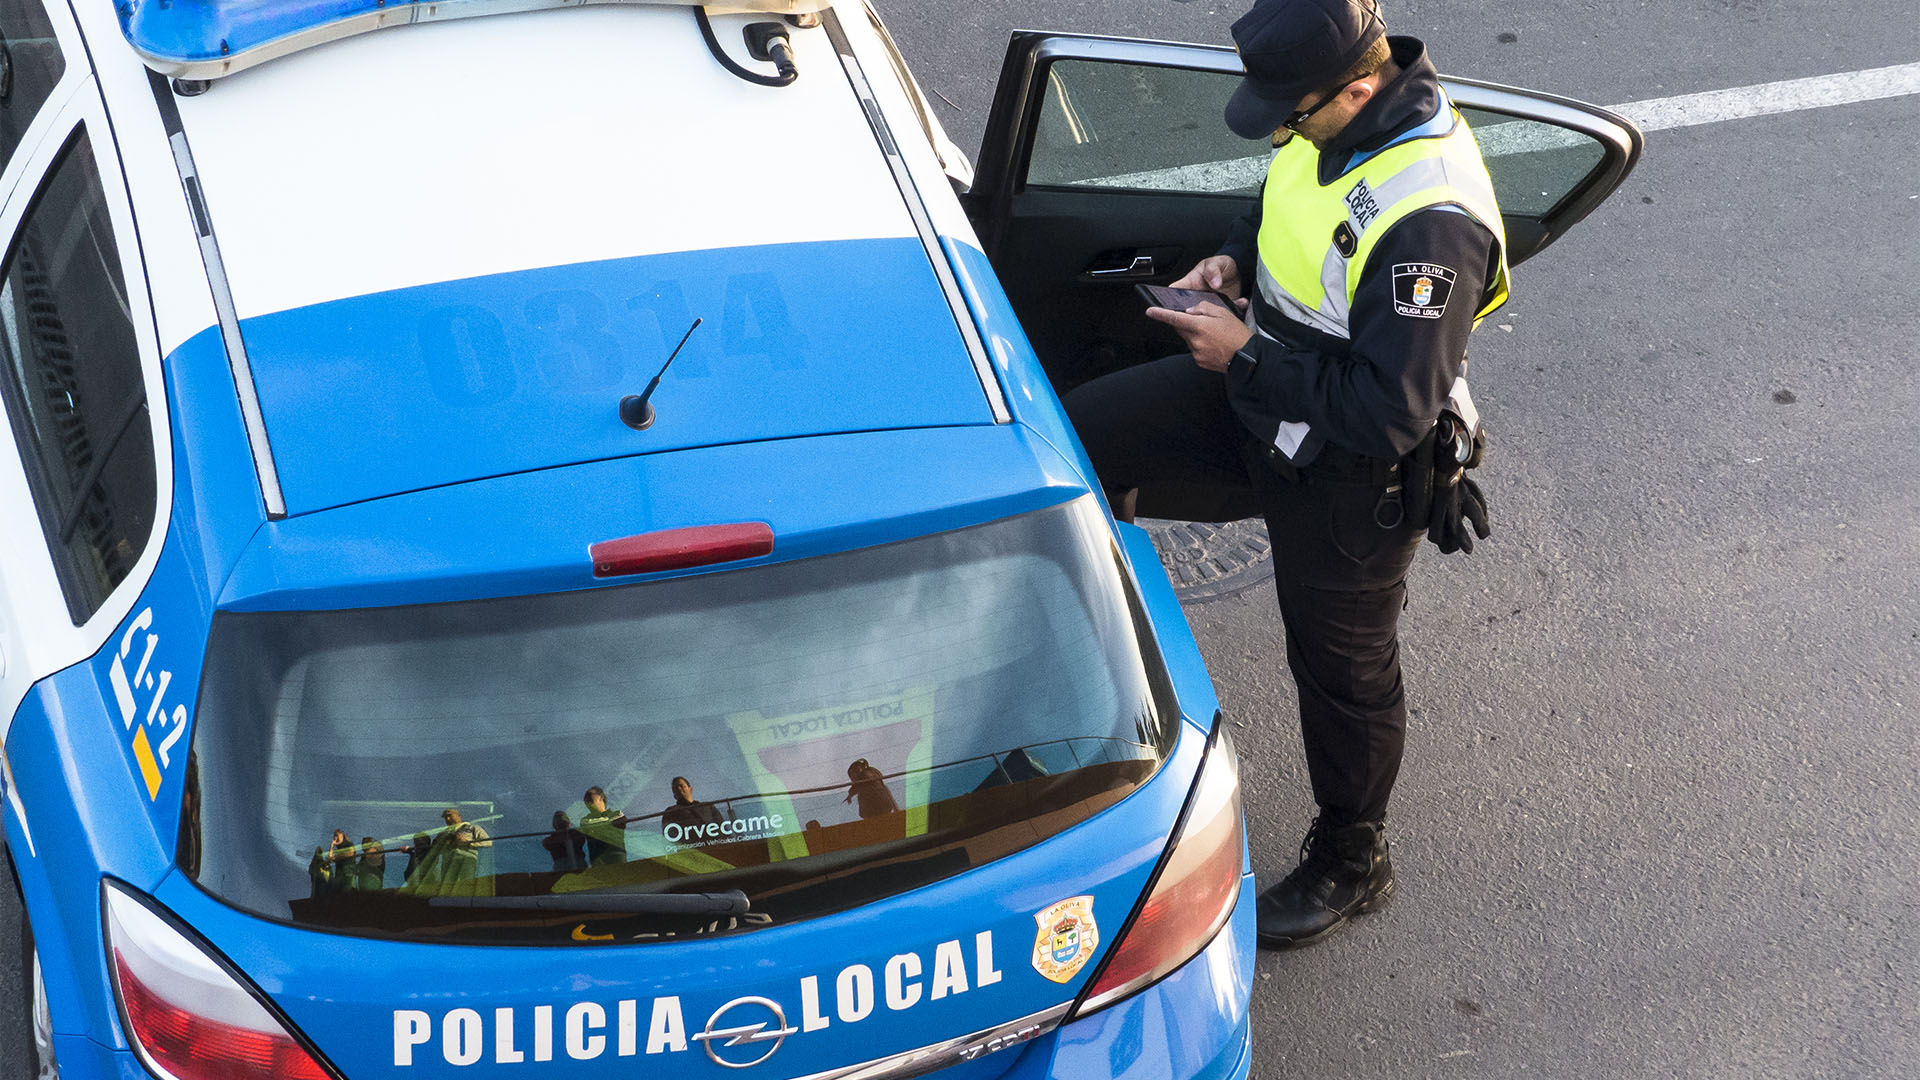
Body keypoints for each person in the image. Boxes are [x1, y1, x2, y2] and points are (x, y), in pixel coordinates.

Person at [1063, 0, 1509, 950]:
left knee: (1341, 674)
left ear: (1357, 85)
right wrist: (1232, 253)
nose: (1277, 126)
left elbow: (1389, 414)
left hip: (1354, 471)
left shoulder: (1430, 224)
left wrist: (1244, 358)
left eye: (1289, 110)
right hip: (1267, 394)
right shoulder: (1334, 123)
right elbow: (1283, 196)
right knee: (1081, 440)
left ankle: (1355, 860)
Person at [579, 786, 628, 866]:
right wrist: (608, 823)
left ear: (601, 797)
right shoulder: (585, 821)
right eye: (586, 800)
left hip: (617, 857)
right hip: (598, 862)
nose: (587, 802)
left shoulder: (618, 814)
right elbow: (587, 825)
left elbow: (620, 821)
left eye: (590, 798)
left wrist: (598, 826)